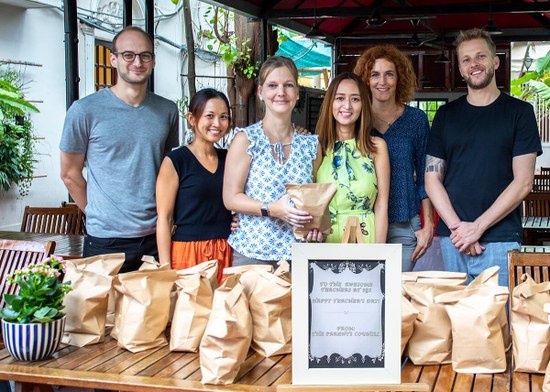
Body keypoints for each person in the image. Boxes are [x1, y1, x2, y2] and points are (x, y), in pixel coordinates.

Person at [425, 28, 542, 286]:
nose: (473, 64)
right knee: (452, 323)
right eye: (466, 59)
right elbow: (432, 179)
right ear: (460, 67)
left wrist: (477, 228)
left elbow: (523, 182)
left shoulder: (519, 113)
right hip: (452, 240)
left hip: (500, 240)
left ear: (495, 61)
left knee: (498, 322)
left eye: (480, 56)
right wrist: (459, 230)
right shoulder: (446, 116)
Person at [60, 26, 179, 273]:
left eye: (145, 55)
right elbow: (69, 173)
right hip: (106, 240)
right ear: (113, 59)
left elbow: (168, 170)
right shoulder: (84, 111)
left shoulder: (167, 110)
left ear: (153, 61)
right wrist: (97, 213)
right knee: (104, 311)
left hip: (156, 236)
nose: (137, 62)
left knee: (154, 311)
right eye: (128, 55)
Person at [223, 56, 320, 266]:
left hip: (299, 255)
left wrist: (316, 226)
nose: (281, 93)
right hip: (252, 253)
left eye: (288, 85)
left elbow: (317, 201)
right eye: (272, 85)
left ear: (297, 93)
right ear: (260, 92)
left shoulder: (311, 144)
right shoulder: (245, 140)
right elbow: (230, 198)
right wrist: (271, 208)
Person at [354, 44, 434, 272]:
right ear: (365, 80)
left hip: (404, 223)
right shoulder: (356, 119)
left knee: (398, 298)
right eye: (375, 75)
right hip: (362, 222)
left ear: (400, 78)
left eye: (389, 74)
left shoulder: (416, 120)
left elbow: (426, 177)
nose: (382, 81)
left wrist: (427, 224)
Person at [156, 88, 232, 283]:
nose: (217, 123)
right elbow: (164, 218)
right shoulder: (176, 160)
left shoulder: (229, 158)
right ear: (192, 118)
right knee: (189, 312)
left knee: (224, 311)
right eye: (210, 116)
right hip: (187, 253)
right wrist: (166, 270)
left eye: (223, 117)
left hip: (226, 249)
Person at [315, 72, 390, 243]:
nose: (347, 106)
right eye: (340, 98)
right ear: (330, 103)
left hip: (366, 235)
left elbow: (382, 205)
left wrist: (379, 255)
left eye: (355, 99)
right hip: (327, 238)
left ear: (363, 104)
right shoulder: (317, 147)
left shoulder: (377, 147)